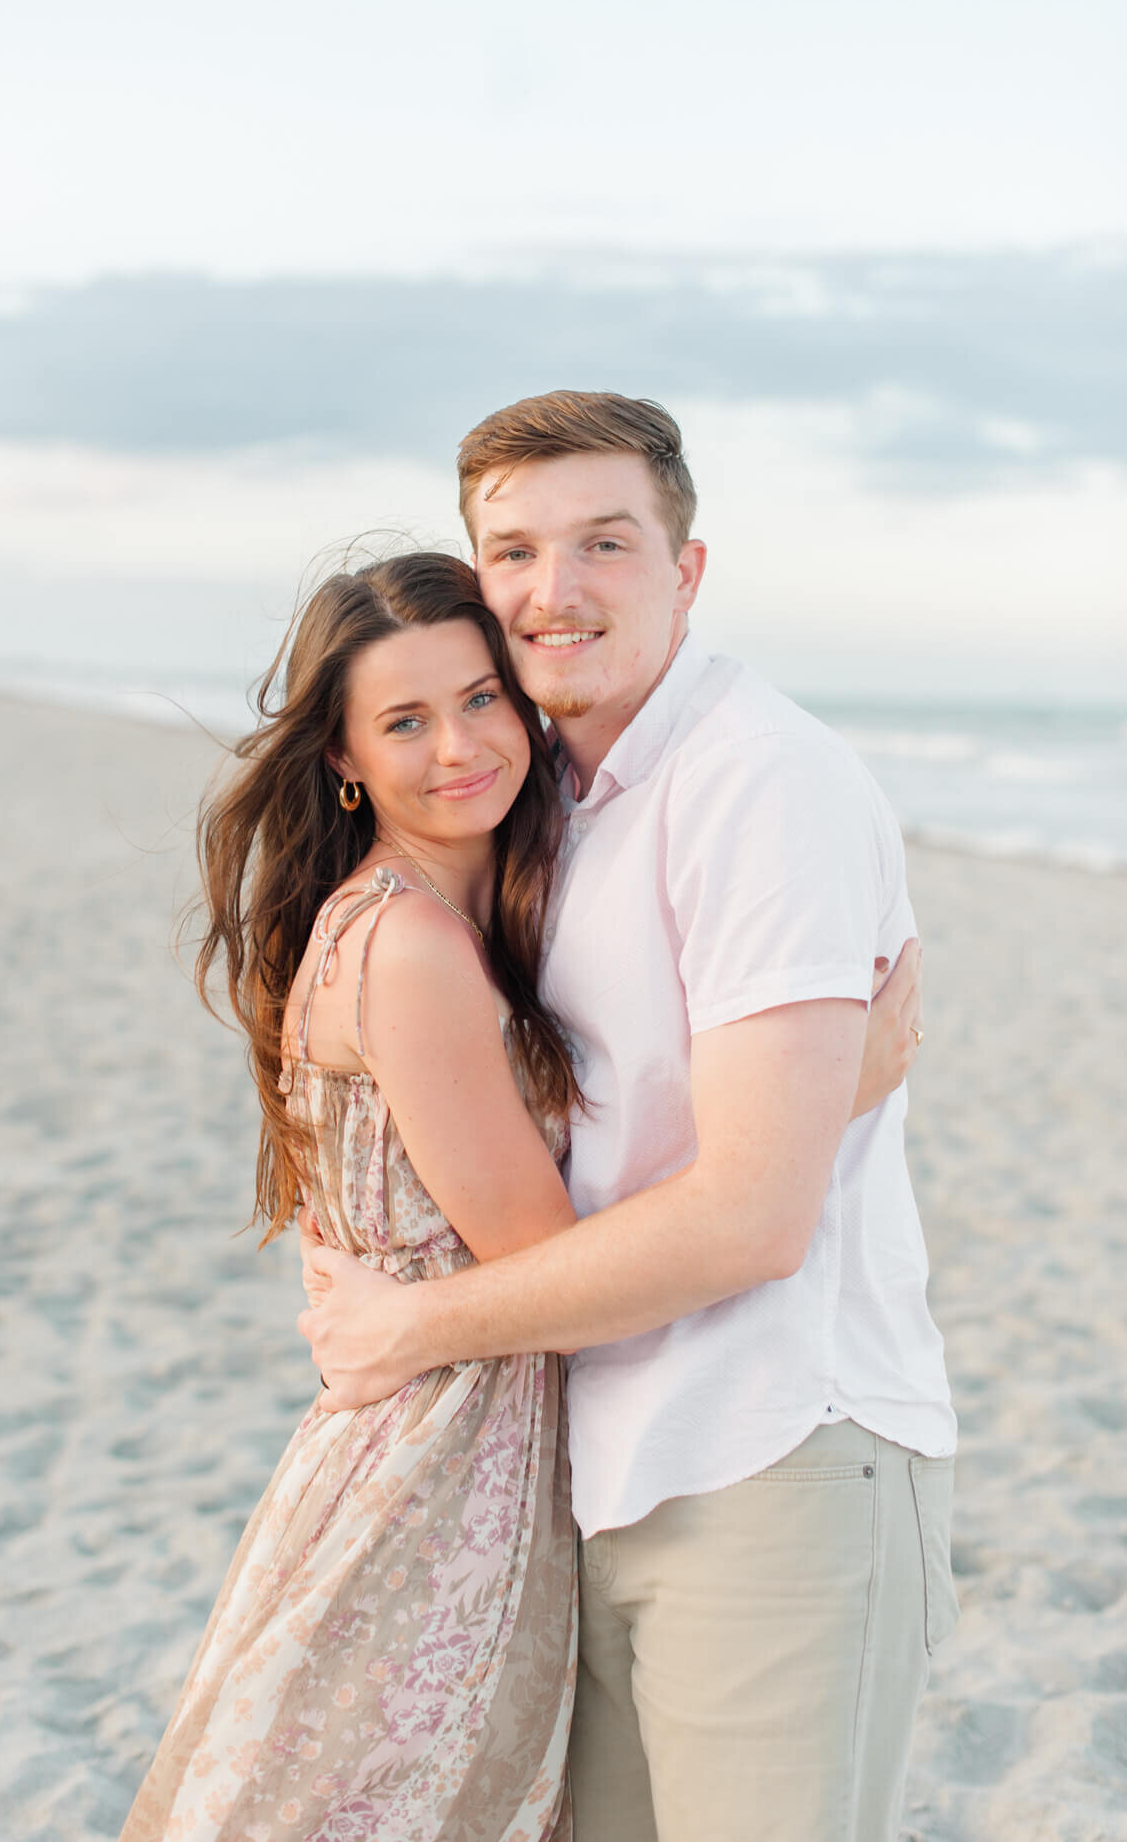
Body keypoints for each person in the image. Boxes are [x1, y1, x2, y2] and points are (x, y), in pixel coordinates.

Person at [120, 544, 917, 1842]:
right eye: (405, 721)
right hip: (440, 1466)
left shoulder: (431, 916)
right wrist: (823, 1102)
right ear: (343, 757)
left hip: (451, 1434)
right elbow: (554, 1266)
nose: (460, 747)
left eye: (483, 698)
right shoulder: (412, 948)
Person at [300, 391, 958, 1842]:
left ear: (688, 569)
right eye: (515, 551)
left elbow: (754, 1218)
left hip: (778, 1458)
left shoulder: (757, 785)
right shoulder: (567, 798)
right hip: (614, 1467)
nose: (556, 590)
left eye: (604, 541)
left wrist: (416, 1325)